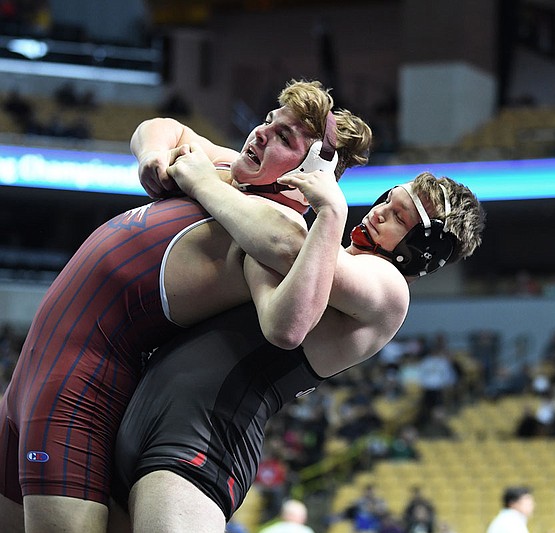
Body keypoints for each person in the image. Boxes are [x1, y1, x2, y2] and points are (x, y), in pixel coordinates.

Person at [0, 79, 372, 533]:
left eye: (284, 138)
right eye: (271, 122)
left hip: (81, 384)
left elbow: (287, 262)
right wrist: (153, 155)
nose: (261, 133)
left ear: (313, 170)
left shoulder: (274, 224)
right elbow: (162, 127)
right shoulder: (230, 169)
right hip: (29, 377)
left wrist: (199, 181)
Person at [111, 164, 484, 531]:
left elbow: (285, 245)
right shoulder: (322, 267)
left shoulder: (390, 289)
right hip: (158, 419)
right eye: (387, 200)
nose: (379, 211)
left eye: (398, 216)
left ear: (422, 248)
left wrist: (205, 182)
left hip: (202, 438)